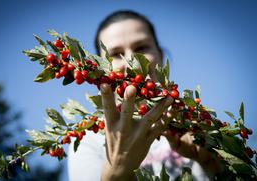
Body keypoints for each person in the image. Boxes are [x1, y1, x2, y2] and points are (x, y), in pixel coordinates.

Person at [68, 10, 221, 181]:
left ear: (161, 55)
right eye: (115, 54)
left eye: (141, 47)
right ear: (99, 68)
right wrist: (116, 173)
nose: (131, 59)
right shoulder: (90, 141)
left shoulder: (197, 124)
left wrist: (214, 165)